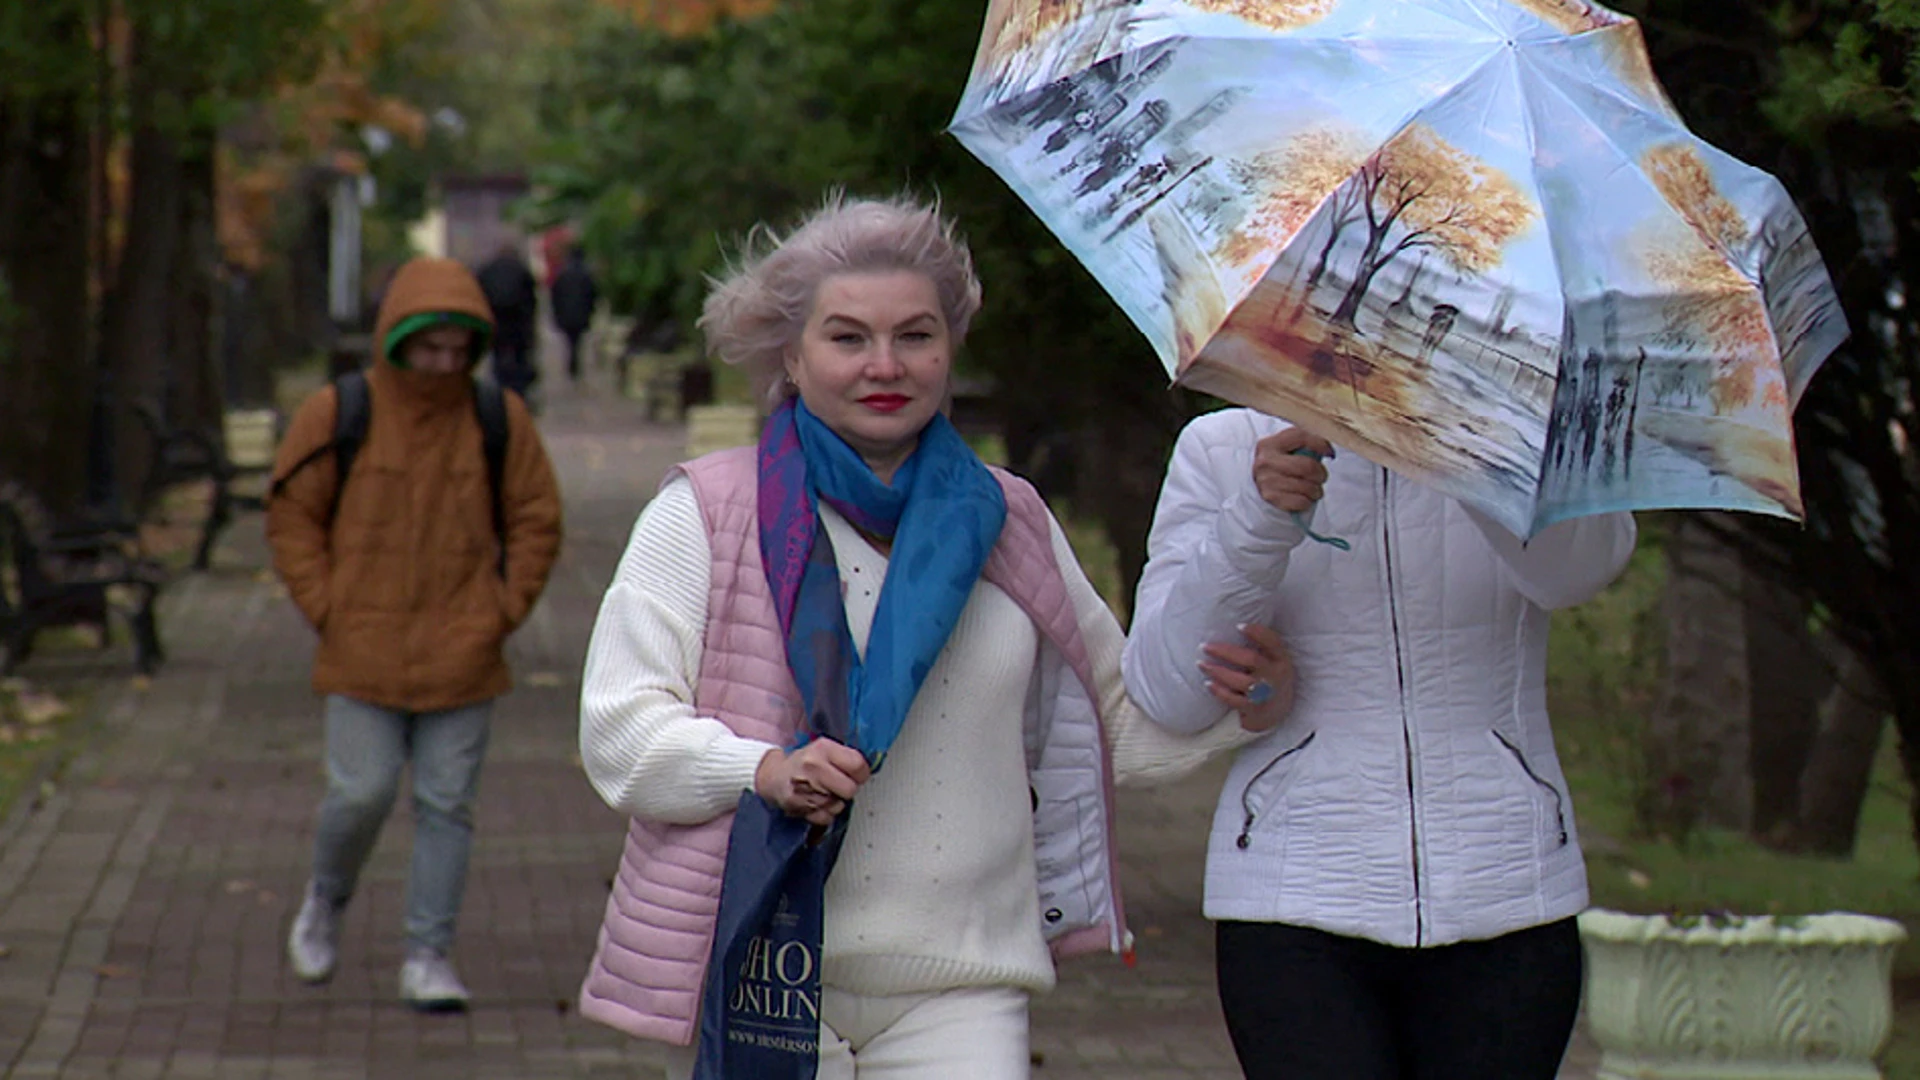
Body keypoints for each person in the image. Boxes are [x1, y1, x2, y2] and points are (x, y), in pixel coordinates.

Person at [574, 195, 1286, 1079]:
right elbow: (618, 730)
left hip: (965, 986)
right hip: (771, 965)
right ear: (790, 356)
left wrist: (1244, 703)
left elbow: (1111, 724)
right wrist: (761, 771)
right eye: (847, 338)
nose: (885, 364)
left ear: (950, 350)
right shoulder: (707, 512)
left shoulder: (1010, 517)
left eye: (915, 335)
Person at [1122, 410, 1637, 1079]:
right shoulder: (1224, 446)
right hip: (1293, 898)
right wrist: (1256, 518)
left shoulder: (1526, 431)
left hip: (1509, 890)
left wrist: (1478, 455)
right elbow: (1167, 692)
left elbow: (1577, 574)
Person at [267, 255, 564, 1011]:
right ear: (394, 339)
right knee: (359, 795)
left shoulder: (498, 419)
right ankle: (325, 900)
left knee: (446, 806)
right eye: (426, 347)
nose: (441, 364)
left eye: (455, 349)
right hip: (360, 649)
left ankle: (428, 954)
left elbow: (536, 518)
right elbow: (293, 512)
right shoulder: (340, 411)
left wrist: (502, 610)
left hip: (464, 652)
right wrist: (326, 606)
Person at [476, 241, 541, 399]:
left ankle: (501, 387)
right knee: (520, 357)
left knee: (498, 355)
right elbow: (532, 298)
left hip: (495, 321)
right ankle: (518, 391)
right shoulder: (522, 269)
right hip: (519, 322)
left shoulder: (487, 270)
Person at [549, 245, 600, 382]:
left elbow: (555, 295)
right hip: (581, 313)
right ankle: (574, 363)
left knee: (570, 340)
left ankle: (572, 363)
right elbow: (593, 295)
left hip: (566, 313)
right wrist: (591, 310)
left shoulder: (563, 273)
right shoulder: (586, 275)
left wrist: (556, 311)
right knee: (577, 341)